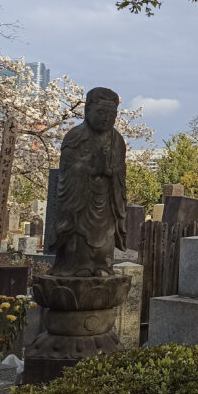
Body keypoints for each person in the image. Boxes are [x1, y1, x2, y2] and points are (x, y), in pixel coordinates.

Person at [49, 87, 127, 276]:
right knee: (79, 235)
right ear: (87, 111)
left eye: (112, 114)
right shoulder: (75, 137)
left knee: (106, 237)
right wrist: (89, 169)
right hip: (80, 203)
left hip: (107, 203)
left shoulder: (117, 141)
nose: (106, 118)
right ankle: (77, 266)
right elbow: (68, 171)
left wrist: (110, 171)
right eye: (101, 112)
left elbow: (120, 171)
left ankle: (102, 264)